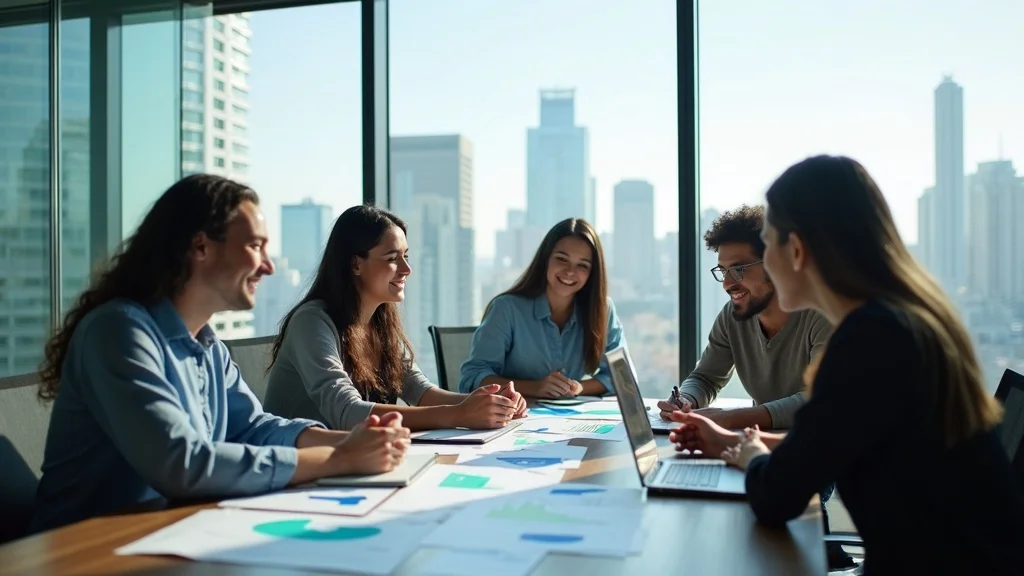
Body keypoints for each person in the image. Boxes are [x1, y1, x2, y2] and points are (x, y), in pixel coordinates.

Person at [672, 156, 1024, 574]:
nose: (732, 280)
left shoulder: (868, 341)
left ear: (796, 250)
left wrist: (747, 453)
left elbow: (775, 497)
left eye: (769, 245)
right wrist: (731, 443)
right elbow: (832, 446)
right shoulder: (903, 320)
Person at [30, 175, 410, 534]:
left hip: (173, 531)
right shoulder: (117, 332)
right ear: (201, 247)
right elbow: (182, 463)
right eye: (254, 246)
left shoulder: (208, 344)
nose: (268, 265)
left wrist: (352, 442)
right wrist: (338, 459)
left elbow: (252, 428)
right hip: (84, 550)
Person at [263, 205, 526, 431]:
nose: (406, 269)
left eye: (406, 256)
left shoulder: (380, 323)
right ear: (355, 264)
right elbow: (347, 412)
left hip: (357, 461)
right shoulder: (312, 322)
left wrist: (489, 402)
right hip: (301, 470)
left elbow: (421, 393)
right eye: (392, 258)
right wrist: (458, 415)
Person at [656, 205, 832, 430]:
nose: (727, 284)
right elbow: (706, 377)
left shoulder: (821, 315)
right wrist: (686, 400)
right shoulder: (733, 314)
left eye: (739, 269)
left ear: (773, 263)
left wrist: (731, 418)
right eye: (723, 271)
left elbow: (820, 399)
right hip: (761, 446)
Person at [459, 218, 626, 399]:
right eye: (562, 259)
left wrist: (579, 387)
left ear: (592, 273)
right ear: (546, 259)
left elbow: (621, 376)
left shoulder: (603, 310)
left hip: (571, 420)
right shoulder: (506, 309)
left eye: (582, 265)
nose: (570, 271)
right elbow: (473, 377)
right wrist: (534, 387)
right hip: (513, 419)